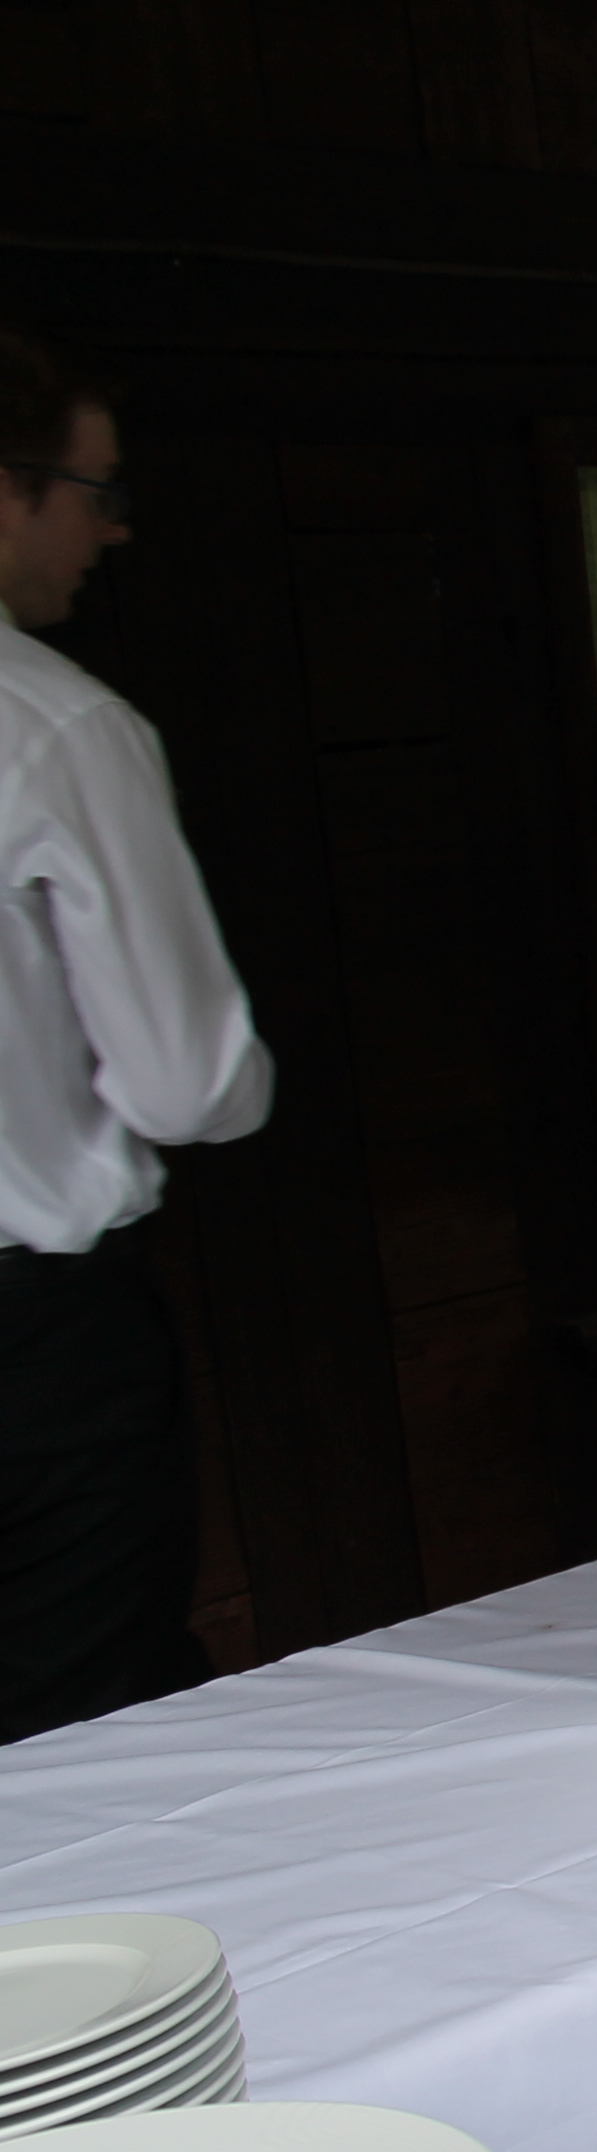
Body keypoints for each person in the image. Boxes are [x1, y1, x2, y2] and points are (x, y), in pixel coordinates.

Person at [0, 324, 271, 1743]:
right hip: (32, 1344)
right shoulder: (52, 727)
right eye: (93, 492)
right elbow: (186, 1082)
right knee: (77, 1737)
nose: (111, 531)